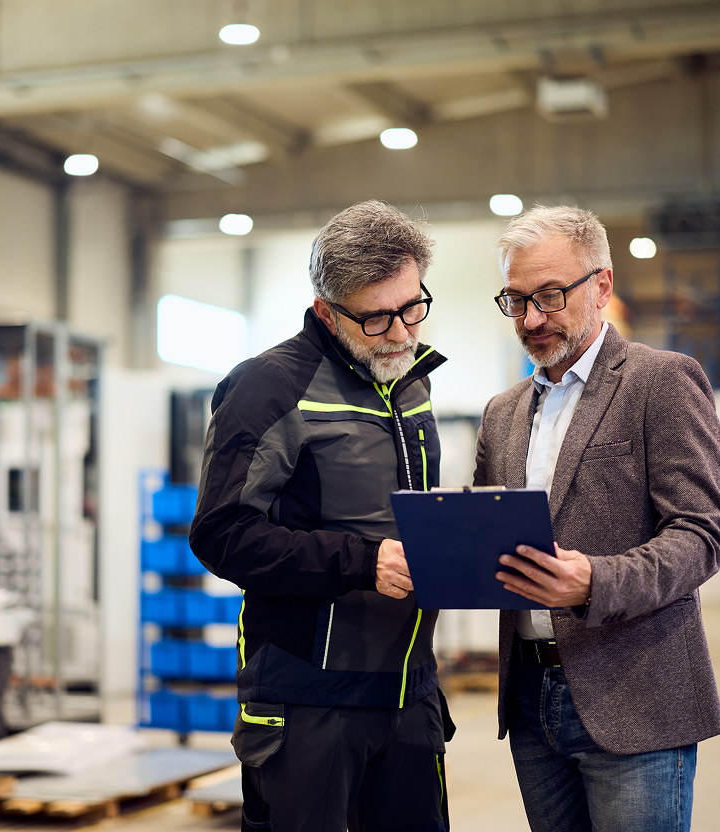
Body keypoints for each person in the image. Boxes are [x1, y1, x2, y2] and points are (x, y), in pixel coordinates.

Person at [190, 200, 453, 832]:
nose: (400, 333)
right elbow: (222, 535)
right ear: (326, 313)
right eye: (376, 318)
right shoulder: (267, 388)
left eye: (413, 306)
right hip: (308, 702)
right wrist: (363, 563)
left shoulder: (409, 381)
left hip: (409, 692)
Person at [473, 205, 720, 832]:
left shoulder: (660, 381)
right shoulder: (502, 413)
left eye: (552, 295)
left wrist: (596, 581)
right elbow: (491, 536)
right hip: (531, 700)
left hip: (635, 695)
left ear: (603, 286)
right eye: (516, 299)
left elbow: (701, 535)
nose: (532, 318)